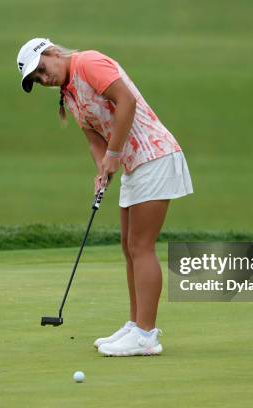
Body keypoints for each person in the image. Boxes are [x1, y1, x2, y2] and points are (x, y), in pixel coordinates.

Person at [17, 38, 193, 356]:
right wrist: (102, 170)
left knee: (141, 246)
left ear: (53, 53)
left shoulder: (88, 62)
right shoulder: (68, 95)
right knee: (129, 246)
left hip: (154, 156)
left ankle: (146, 334)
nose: (44, 79)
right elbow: (94, 139)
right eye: (37, 79)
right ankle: (135, 324)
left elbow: (127, 101)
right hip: (133, 166)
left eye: (42, 69)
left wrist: (113, 155)